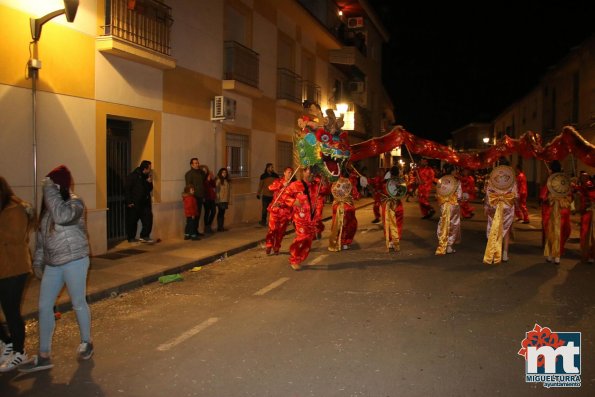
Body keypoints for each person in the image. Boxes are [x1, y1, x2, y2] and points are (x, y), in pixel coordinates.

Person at [19, 165, 93, 373]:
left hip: (75, 260)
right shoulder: (47, 212)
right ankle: (44, 355)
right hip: (53, 264)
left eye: (52, 186)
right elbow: (42, 241)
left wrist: (49, 189)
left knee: (78, 302)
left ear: (58, 186)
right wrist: (38, 263)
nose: (47, 191)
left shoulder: (75, 203)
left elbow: (62, 217)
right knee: (44, 306)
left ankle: (87, 341)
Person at [0, 177, 35, 372]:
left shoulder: (15, 209)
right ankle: (8, 343)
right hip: (3, 267)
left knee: (12, 312)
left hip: (15, 269)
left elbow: (15, 236)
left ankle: (19, 352)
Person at [284, 167, 319, 270]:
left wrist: (325, 182)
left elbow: (325, 191)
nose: (312, 174)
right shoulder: (296, 185)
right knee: (302, 237)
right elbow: (285, 196)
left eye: (314, 172)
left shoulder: (315, 186)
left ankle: (299, 258)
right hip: (300, 218)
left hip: (312, 218)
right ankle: (294, 258)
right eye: (310, 171)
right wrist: (293, 201)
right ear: (303, 172)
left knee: (308, 240)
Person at [483, 164, 518, 264]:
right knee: (506, 229)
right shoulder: (512, 180)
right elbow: (515, 195)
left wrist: (486, 206)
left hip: (494, 205)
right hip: (507, 207)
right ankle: (505, 253)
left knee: (494, 227)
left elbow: (487, 194)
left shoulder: (492, 178)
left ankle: (493, 252)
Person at [540, 160, 572, 264]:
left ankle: (550, 255)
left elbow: (543, 195)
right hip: (563, 210)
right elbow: (569, 196)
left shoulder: (550, 180)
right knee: (561, 232)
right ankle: (557, 256)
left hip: (552, 209)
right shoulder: (564, 180)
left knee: (551, 232)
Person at [265, 167, 294, 255]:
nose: (290, 174)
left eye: (291, 173)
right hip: (275, 209)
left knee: (280, 231)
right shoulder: (278, 181)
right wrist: (281, 185)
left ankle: (276, 246)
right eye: (288, 172)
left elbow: (294, 198)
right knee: (272, 229)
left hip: (285, 211)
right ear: (284, 173)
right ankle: (269, 245)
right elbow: (270, 187)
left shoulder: (293, 185)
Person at [125, 160, 154, 243]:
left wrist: (149, 182)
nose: (150, 170)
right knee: (132, 221)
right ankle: (131, 237)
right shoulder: (133, 176)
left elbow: (149, 189)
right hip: (135, 202)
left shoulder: (147, 176)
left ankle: (145, 235)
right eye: (149, 168)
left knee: (148, 219)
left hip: (145, 202)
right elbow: (127, 189)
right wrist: (129, 201)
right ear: (145, 168)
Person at [328, 177, 358, 251]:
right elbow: (356, 194)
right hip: (344, 205)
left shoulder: (334, 182)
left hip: (338, 205)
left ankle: (340, 240)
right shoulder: (348, 180)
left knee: (338, 222)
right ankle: (345, 241)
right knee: (348, 223)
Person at [435, 174, 462, 255]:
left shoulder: (440, 181)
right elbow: (459, 196)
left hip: (443, 204)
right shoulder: (457, 182)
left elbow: (438, 193)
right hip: (453, 205)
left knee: (443, 222)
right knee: (453, 224)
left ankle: (442, 242)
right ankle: (449, 246)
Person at [382, 167, 405, 252]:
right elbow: (404, 192)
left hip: (388, 205)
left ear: (390, 173)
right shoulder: (402, 183)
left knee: (387, 223)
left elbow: (381, 192)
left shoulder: (386, 183)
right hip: (398, 204)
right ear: (398, 173)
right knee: (398, 223)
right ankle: (395, 240)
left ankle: (390, 241)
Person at [576, 172, 595, 263]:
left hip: (590, 213)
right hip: (587, 212)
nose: (582, 178)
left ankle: (588, 255)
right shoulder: (585, 185)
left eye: (584, 177)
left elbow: (591, 197)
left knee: (587, 234)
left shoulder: (589, 185)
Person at [185, 158, 206, 236]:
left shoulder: (200, 173)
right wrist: (191, 196)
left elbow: (203, 181)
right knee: (192, 216)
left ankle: (195, 231)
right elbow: (188, 186)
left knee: (198, 215)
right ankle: (191, 232)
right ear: (191, 164)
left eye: (197, 163)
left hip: (200, 196)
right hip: (193, 197)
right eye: (195, 163)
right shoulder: (189, 174)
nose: (197, 164)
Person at [215, 168, 231, 232]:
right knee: (220, 213)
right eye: (223, 172)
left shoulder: (226, 180)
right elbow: (216, 190)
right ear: (220, 173)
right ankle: (219, 227)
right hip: (220, 200)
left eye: (225, 172)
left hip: (225, 200)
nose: (224, 174)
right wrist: (217, 199)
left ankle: (221, 227)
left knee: (222, 213)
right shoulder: (218, 180)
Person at [203, 167, 216, 234]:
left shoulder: (209, 177)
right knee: (207, 212)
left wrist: (212, 178)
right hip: (206, 198)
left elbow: (214, 185)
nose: (205, 171)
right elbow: (205, 188)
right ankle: (207, 228)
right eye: (203, 170)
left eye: (206, 170)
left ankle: (209, 225)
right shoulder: (202, 178)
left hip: (212, 197)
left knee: (213, 211)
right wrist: (207, 181)